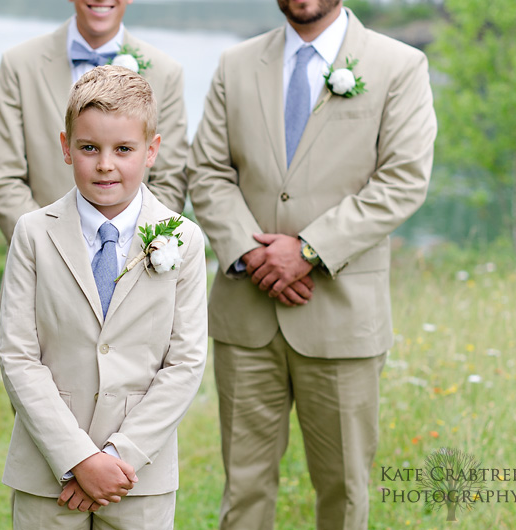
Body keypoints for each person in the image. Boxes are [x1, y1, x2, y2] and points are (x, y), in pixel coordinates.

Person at [187, 0, 436, 528]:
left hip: (342, 318)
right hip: (245, 318)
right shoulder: (236, 64)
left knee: (344, 492)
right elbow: (206, 171)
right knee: (244, 488)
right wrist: (252, 253)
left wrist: (308, 250)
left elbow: (403, 180)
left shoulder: (399, 65)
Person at [0, 65, 207, 529]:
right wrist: (78, 457)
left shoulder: (184, 240)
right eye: (89, 148)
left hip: (137, 474)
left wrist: (115, 458)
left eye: (123, 149)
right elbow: (18, 355)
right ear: (66, 148)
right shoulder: (33, 234)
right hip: (47, 471)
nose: (105, 164)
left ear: (151, 151)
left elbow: (185, 363)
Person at [0, 0, 189, 241]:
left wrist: (125, 249)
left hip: (132, 260)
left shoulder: (166, 72)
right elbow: (3, 176)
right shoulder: (19, 64)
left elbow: (170, 179)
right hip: (41, 260)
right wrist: (46, 244)